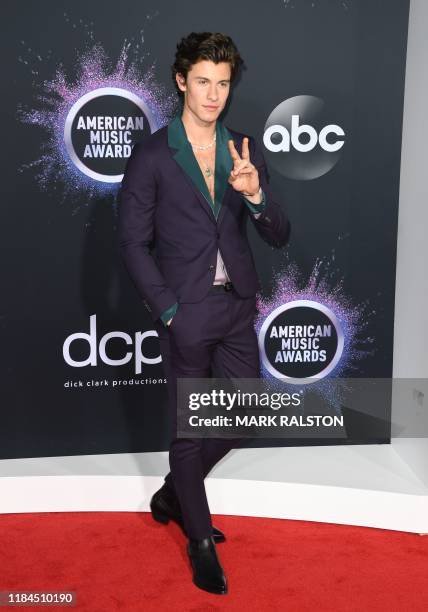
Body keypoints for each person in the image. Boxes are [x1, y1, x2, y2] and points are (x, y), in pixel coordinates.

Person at [118, 31, 290, 595]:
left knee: (247, 414)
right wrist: (167, 309)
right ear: (180, 81)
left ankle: (173, 492)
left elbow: (279, 234)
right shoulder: (151, 155)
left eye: (222, 84)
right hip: (185, 311)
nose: (213, 95)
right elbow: (133, 246)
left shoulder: (242, 148)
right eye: (203, 82)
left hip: (238, 305)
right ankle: (197, 540)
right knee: (189, 432)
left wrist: (257, 196)